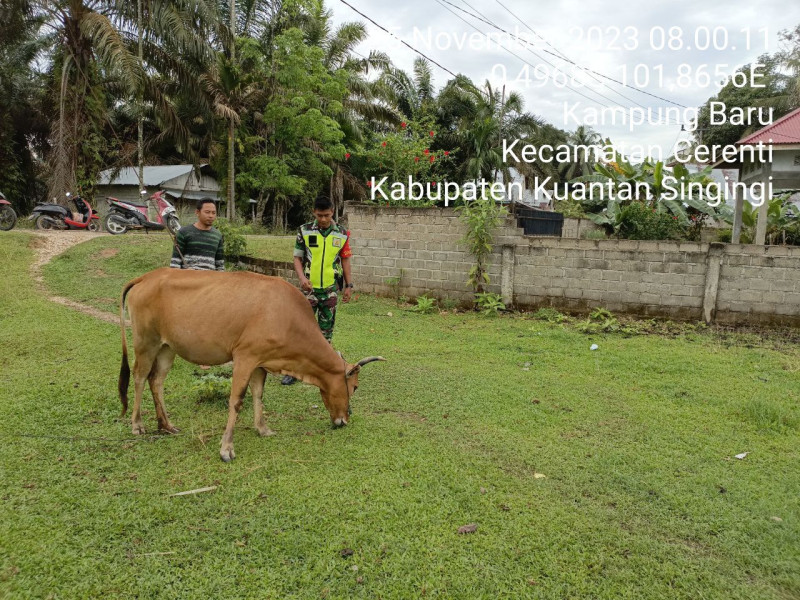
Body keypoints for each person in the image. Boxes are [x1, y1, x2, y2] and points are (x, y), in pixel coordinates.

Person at [282, 196, 353, 385]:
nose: (323, 219)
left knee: (326, 332)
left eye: (327, 215)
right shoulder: (304, 231)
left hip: (330, 290)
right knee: (300, 331)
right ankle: (293, 371)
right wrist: (302, 278)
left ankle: (320, 369)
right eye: (320, 215)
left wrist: (349, 285)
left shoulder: (342, 234)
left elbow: (345, 259)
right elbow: (297, 258)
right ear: (314, 212)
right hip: (309, 291)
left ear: (333, 212)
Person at [170, 198, 225, 271]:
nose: (211, 216)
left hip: (210, 279)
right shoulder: (183, 232)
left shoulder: (217, 235)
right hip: (188, 279)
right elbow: (175, 263)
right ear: (197, 212)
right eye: (207, 212)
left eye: (213, 213)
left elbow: (220, 265)